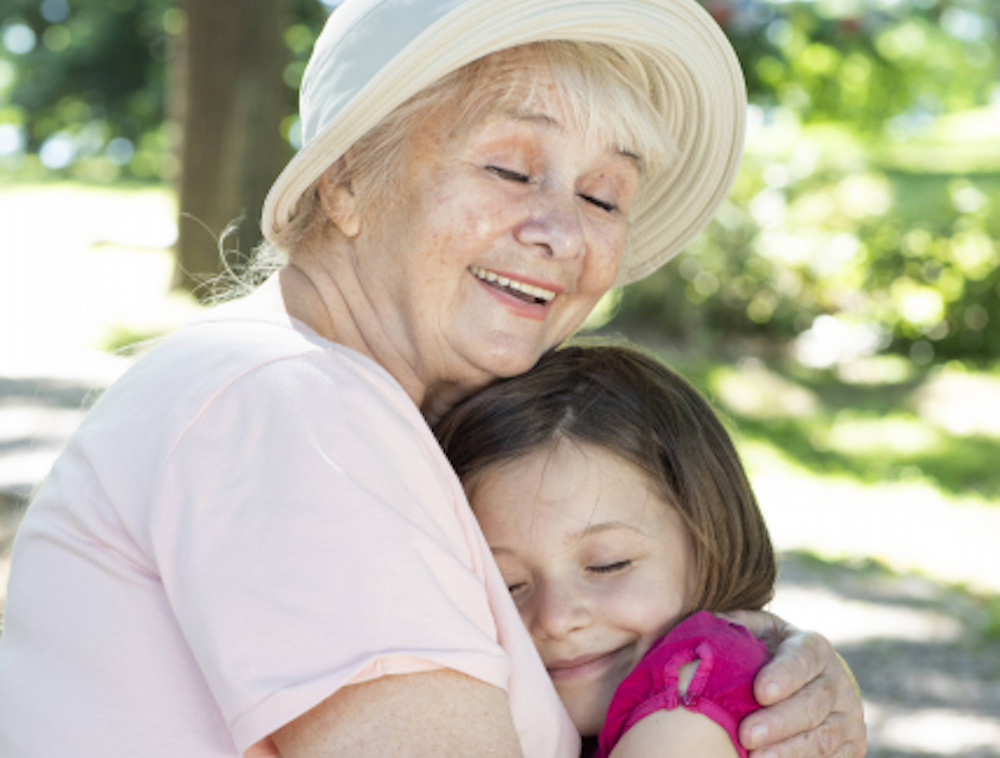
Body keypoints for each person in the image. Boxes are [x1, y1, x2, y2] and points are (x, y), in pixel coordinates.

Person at [0, 0, 866, 756]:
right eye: (510, 168)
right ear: (345, 180)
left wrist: (730, 675)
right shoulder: (291, 407)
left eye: (604, 197)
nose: (562, 232)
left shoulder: (353, 408)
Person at [435, 343, 778, 758]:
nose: (556, 620)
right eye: (507, 586)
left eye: (607, 565)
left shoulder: (693, 696)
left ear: (710, 531)